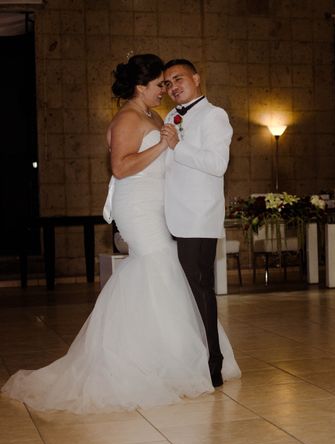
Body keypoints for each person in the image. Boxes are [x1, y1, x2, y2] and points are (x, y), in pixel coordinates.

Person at [1, 54, 240, 413]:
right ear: (141, 87)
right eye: (160, 84)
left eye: (169, 82)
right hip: (138, 207)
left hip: (161, 207)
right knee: (158, 267)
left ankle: (166, 357)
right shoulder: (128, 118)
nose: (165, 89)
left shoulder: (156, 116)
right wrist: (163, 145)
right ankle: (148, 362)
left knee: (163, 276)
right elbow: (121, 167)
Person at [162, 58, 233, 387]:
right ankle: (189, 357)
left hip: (198, 216)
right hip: (172, 215)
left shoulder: (214, 115)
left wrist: (179, 145)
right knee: (180, 292)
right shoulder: (169, 116)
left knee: (200, 288)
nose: (172, 86)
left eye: (178, 79)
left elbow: (217, 164)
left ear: (196, 78)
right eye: (167, 83)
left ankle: (213, 361)